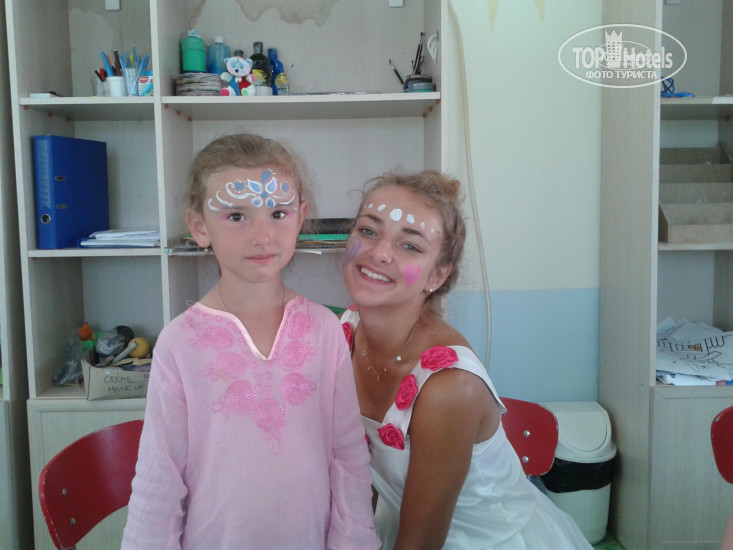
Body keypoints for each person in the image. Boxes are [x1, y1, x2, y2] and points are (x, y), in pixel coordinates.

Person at [121, 134, 380, 550]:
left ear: (300, 217)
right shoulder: (180, 343)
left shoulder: (325, 329)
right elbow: (159, 478)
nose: (262, 236)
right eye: (237, 216)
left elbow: (348, 456)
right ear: (199, 227)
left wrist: (354, 542)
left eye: (278, 213)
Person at [340, 170, 593, 549]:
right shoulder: (346, 331)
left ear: (437, 275)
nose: (379, 253)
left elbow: (421, 543)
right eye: (368, 231)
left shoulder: (449, 387)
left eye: (410, 246)